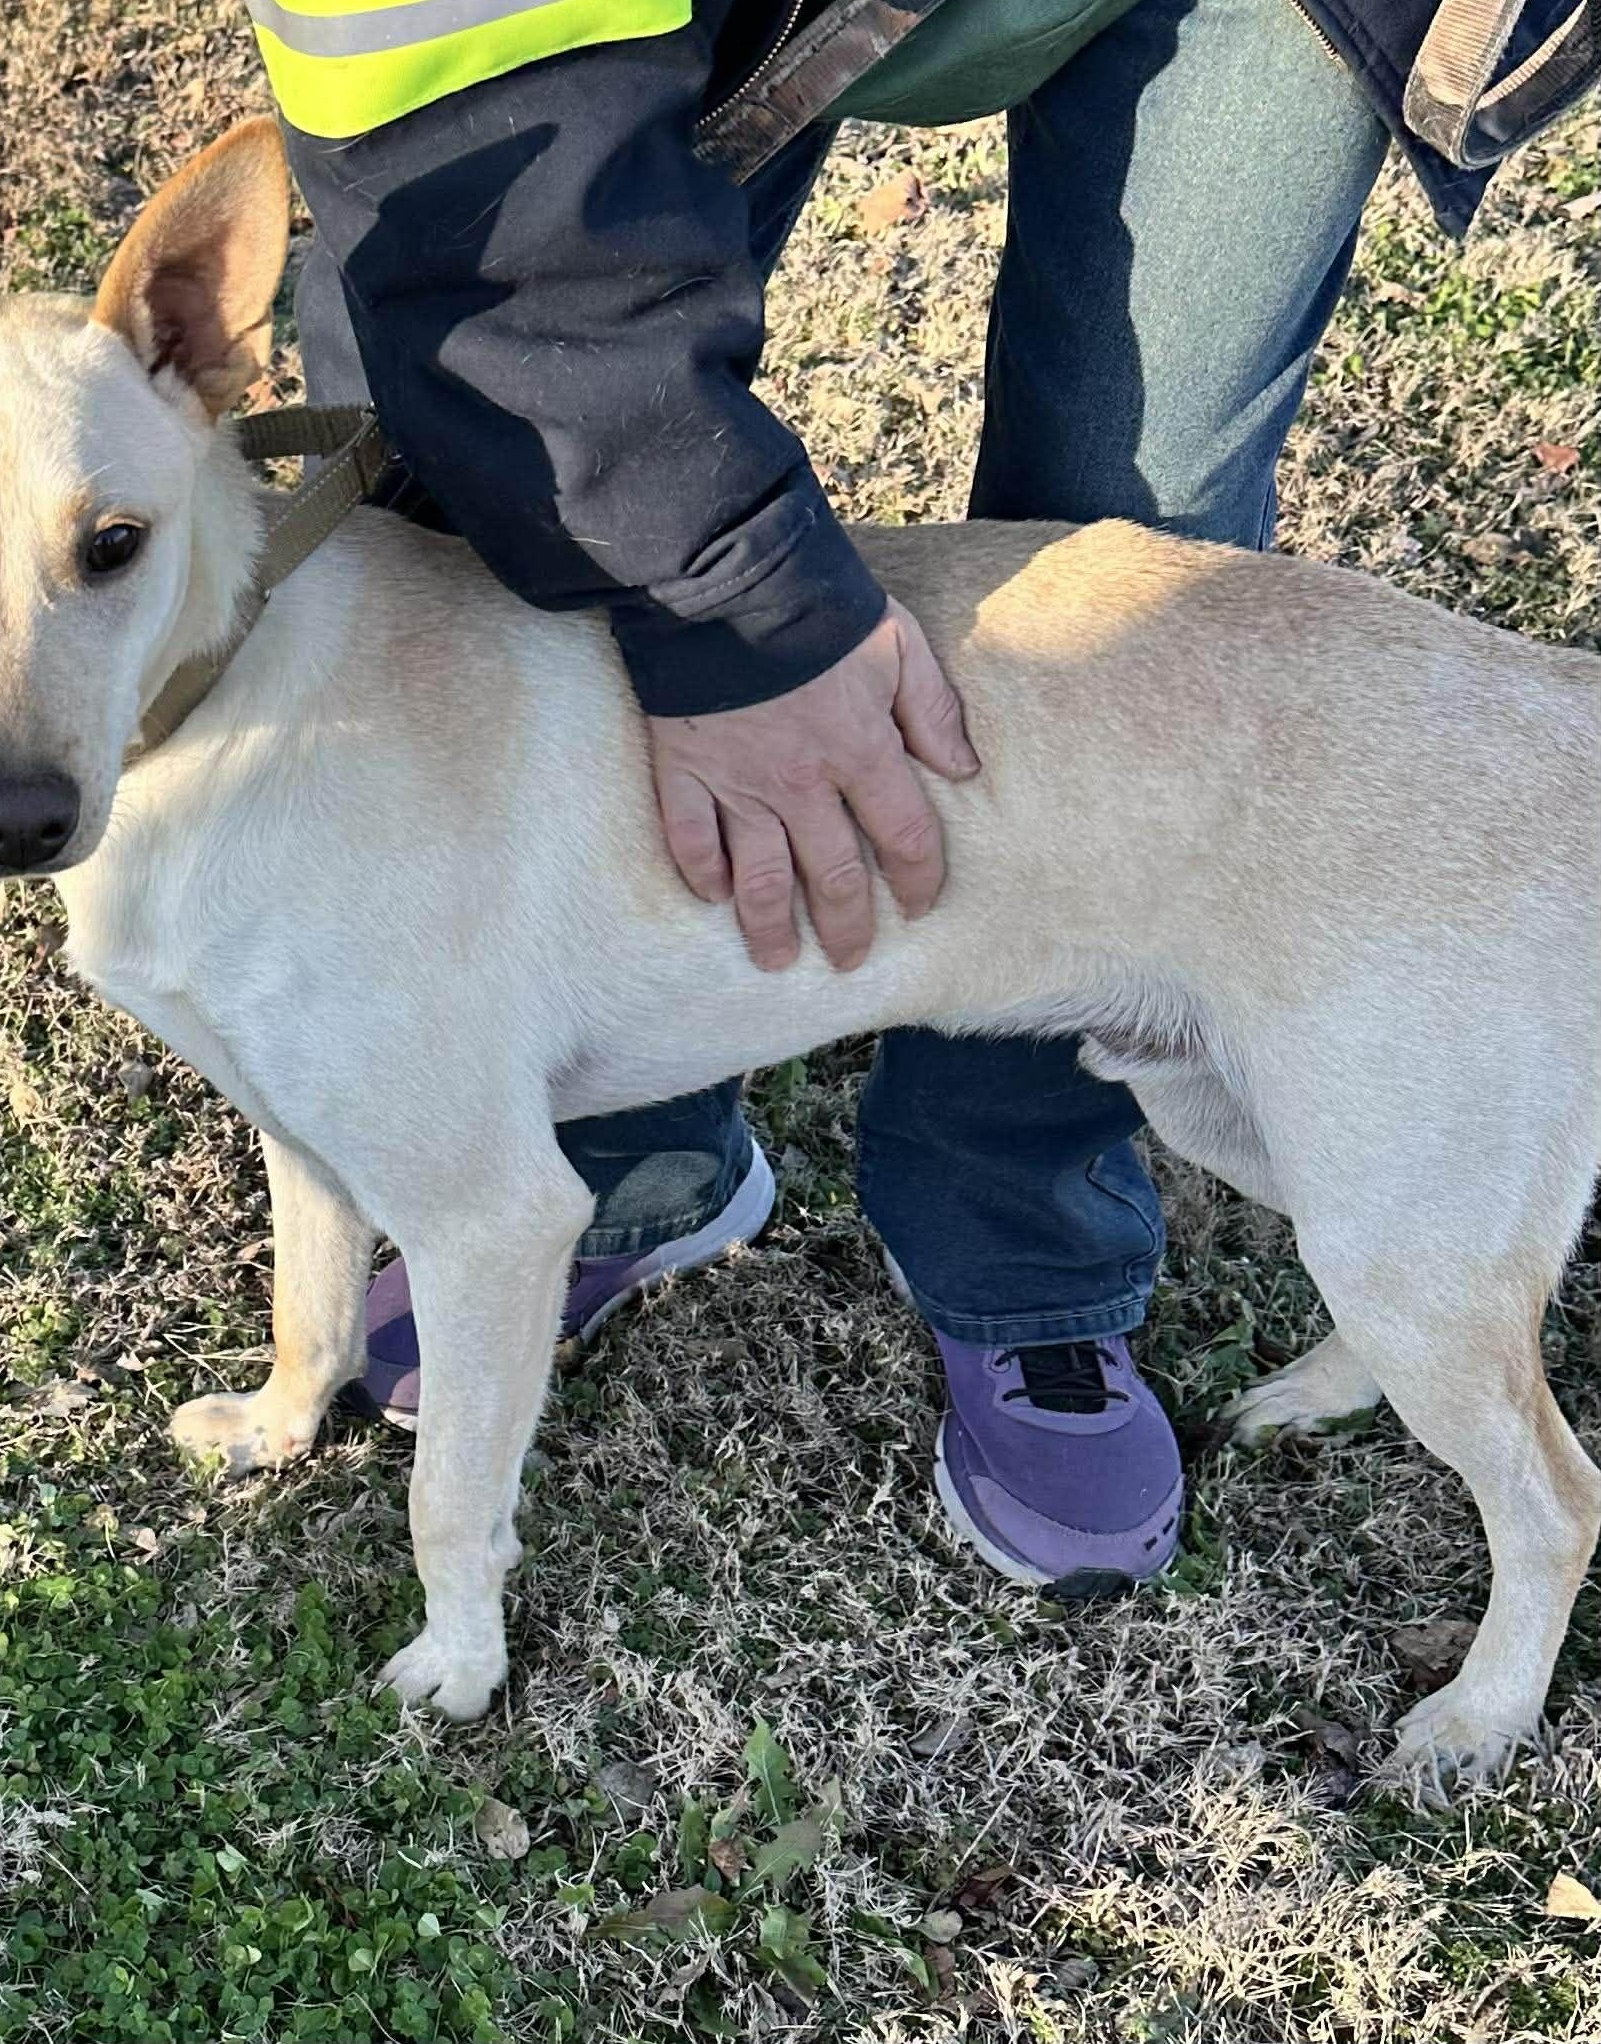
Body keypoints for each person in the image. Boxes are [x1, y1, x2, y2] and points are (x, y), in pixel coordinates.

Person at [241, 0, 1588, 1596]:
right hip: (579, 36)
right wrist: (717, 593)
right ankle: (626, 1146)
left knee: (1148, 549)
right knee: (529, 496)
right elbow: (450, 125)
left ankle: (1028, 1257)